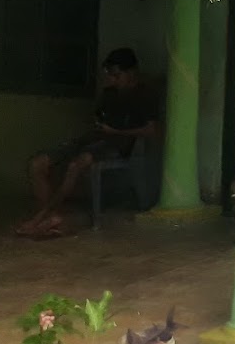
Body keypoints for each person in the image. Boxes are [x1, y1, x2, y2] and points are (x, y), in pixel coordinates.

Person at [18, 47, 159, 238]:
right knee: (37, 164)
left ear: (132, 72)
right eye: (110, 75)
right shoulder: (109, 93)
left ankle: (40, 219)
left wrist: (116, 131)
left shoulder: (145, 95)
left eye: (117, 75)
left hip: (118, 144)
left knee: (77, 165)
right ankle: (51, 217)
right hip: (94, 138)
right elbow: (98, 118)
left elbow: (151, 130)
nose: (112, 80)